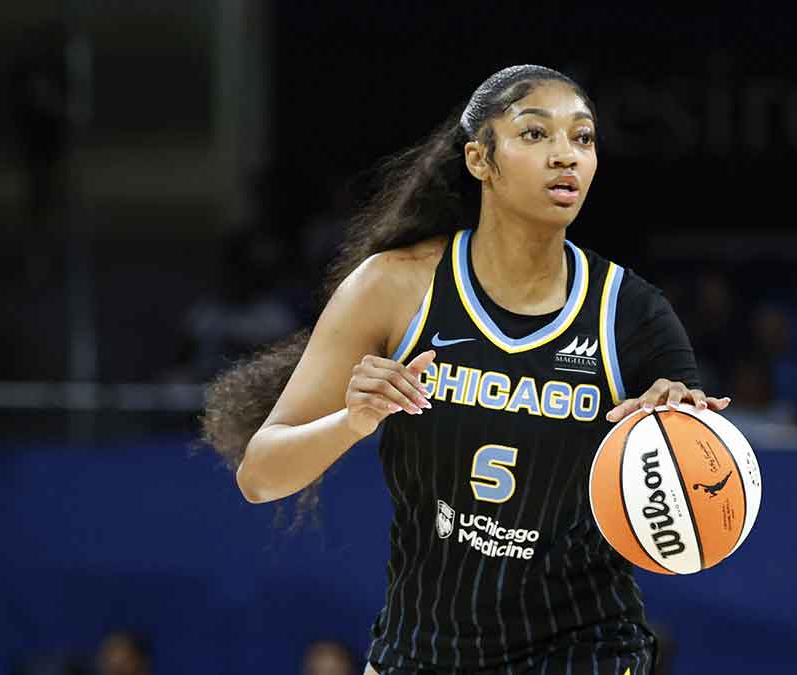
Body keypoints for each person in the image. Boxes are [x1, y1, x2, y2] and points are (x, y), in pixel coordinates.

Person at [201, 64, 729, 674]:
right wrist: (353, 420)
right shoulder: (394, 287)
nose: (566, 156)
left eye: (582, 139)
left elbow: (698, 503)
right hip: (419, 649)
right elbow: (260, 477)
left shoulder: (632, 314)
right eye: (535, 134)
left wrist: (679, 423)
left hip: (582, 648)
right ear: (480, 159)